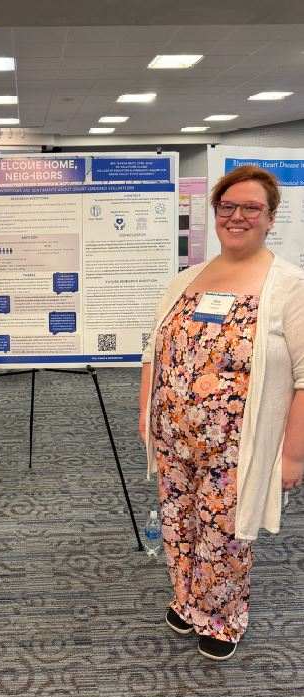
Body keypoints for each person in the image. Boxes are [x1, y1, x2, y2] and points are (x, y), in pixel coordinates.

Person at [139, 165, 304, 661]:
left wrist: (293, 457)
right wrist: (146, 420)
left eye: (251, 208)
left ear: (270, 217)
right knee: (178, 522)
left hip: (237, 447)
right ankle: (187, 600)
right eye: (227, 207)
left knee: (225, 534)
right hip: (174, 438)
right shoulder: (187, 279)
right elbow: (153, 352)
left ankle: (223, 617)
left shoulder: (289, 287)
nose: (237, 217)